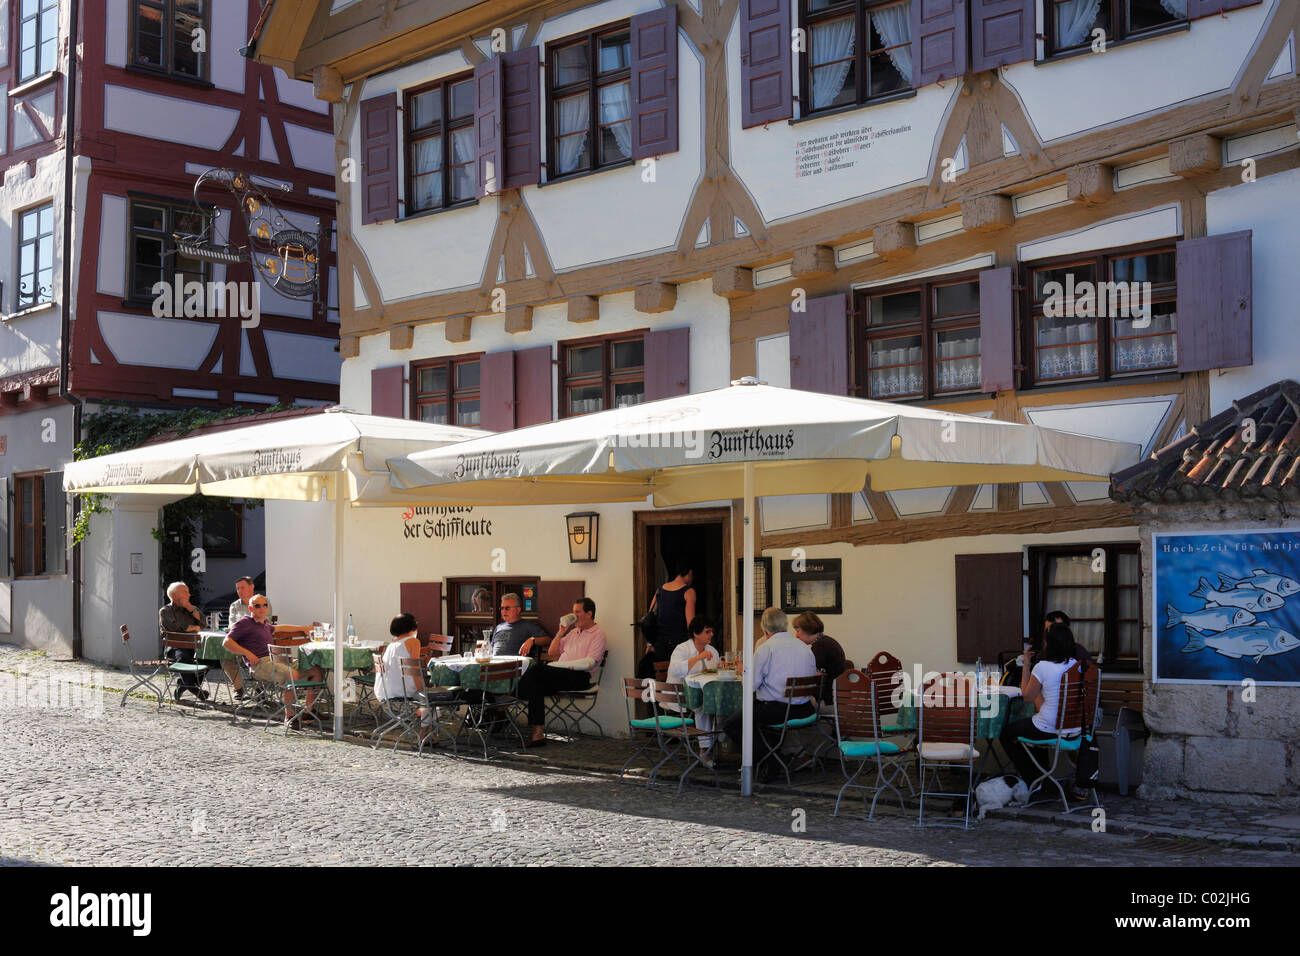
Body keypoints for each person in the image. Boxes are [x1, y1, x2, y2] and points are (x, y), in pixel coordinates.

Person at [723, 607, 817, 782]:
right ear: (786, 625)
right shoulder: (805, 648)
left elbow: (751, 685)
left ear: (764, 629)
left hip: (780, 710)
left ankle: (773, 760)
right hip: (805, 709)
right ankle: (767, 763)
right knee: (759, 714)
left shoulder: (766, 648)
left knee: (732, 725)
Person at [222, 593, 324, 729]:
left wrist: (304, 628)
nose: (262, 608)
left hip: (276, 661)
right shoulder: (244, 623)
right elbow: (226, 642)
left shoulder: (265, 624)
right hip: (259, 664)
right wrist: (247, 653)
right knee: (291, 674)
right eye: (257, 606)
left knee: (315, 671)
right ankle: (290, 717)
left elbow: (282, 628)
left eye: (264, 605)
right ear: (251, 609)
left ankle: (308, 712)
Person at [517, 598, 608, 747]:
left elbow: (590, 663)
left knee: (537, 671)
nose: (574, 615)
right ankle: (537, 735)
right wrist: (561, 632)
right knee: (536, 686)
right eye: (573, 612)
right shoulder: (573, 632)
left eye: (577, 612)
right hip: (561, 673)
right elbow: (553, 652)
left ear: (589, 613)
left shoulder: (598, 635)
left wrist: (561, 665)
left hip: (580, 677)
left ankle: (511, 697)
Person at [999, 623, 1082, 785]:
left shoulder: (1042, 667)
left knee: (1006, 733)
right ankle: (1043, 775)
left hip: (1051, 728)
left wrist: (1026, 664)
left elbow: (1027, 697)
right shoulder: (1076, 665)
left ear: (1049, 644)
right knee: (1033, 727)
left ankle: (1033, 779)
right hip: (1074, 729)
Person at [666, 617, 722, 766]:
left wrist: (721, 667)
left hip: (705, 693)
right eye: (707, 632)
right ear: (696, 634)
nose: (711, 635)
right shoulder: (682, 649)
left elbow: (716, 672)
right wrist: (698, 658)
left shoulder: (712, 651)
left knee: (721, 705)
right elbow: (676, 671)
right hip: (680, 695)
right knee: (703, 707)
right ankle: (704, 751)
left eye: (712, 632)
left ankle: (720, 740)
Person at [374, 613, 435, 743]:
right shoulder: (412, 641)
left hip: (385, 690)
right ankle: (424, 734)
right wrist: (422, 690)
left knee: (426, 703)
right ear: (412, 627)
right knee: (432, 702)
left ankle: (426, 728)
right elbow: (414, 670)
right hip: (403, 690)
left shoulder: (391, 645)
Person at [638, 560, 696, 679]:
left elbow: (649, 619)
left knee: (662, 681)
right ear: (689, 573)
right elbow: (691, 624)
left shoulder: (660, 590)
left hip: (659, 645)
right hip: (679, 646)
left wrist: (649, 642)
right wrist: (695, 648)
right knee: (677, 682)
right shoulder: (688, 592)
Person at [222, 576, 272, 696]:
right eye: (238, 588)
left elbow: (265, 623)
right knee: (226, 658)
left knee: (260, 657)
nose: (240, 591)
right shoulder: (234, 606)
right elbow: (232, 626)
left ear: (252, 587)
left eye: (242, 587)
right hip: (240, 644)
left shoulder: (263, 602)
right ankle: (239, 689)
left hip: (258, 644)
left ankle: (260, 690)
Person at [159, 581, 208, 702]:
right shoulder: (165, 611)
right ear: (175, 595)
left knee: (209, 657)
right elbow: (176, 627)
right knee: (184, 658)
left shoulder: (192, 609)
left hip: (194, 646)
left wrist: (191, 609)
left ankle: (184, 684)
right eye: (185, 592)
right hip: (175, 648)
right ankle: (195, 689)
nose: (189, 594)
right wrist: (192, 627)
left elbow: (204, 624)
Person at [792, 611, 845, 711]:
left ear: (808, 630)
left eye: (798, 631)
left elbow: (815, 677)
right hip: (839, 698)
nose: (796, 635)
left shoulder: (819, 647)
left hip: (828, 701)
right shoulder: (826, 641)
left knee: (790, 706)